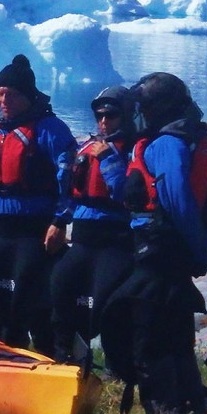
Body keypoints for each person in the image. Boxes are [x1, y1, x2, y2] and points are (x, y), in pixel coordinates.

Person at [101, 72, 207, 414]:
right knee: (174, 330)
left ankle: (166, 409)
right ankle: (187, 405)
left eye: (142, 107)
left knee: (150, 331)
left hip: (158, 247)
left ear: (156, 109)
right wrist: (204, 247)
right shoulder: (194, 142)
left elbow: (177, 200)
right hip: (172, 249)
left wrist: (196, 248)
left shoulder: (164, 145)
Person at [0, 54, 77, 355]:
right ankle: (6, 352)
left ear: (27, 95)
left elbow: (70, 177)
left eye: (10, 94)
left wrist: (60, 221)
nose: (3, 99)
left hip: (34, 231)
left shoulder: (50, 129)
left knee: (28, 294)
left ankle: (47, 356)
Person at [49, 86, 136, 365]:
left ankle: (117, 367)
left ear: (125, 116)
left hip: (114, 240)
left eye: (110, 116)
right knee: (61, 288)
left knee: (106, 305)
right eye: (99, 115)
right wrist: (59, 221)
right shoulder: (85, 147)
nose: (103, 121)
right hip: (83, 239)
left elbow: (127, 193)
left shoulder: (134, 150)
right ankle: (66, 358)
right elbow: (69, 193)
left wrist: (108, 159)